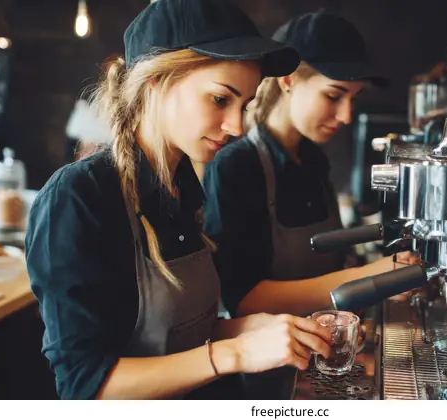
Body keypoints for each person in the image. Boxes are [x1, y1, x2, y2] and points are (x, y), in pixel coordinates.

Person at [24, 0, 332, 400]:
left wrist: (256, 329)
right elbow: (86, 386)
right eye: (221, 99)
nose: (237, 125)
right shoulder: (79, 198)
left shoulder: (184, 187)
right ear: (157, 81)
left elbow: (172, 338)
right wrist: (235, 352)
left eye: (244, 105)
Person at [203, 9, 412, 321]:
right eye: (333, 96)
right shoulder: (236, 166)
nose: (346, 116)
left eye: (353, 99)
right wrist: (372, 277)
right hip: (268, 363)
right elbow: (244, 300)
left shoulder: (313, 158)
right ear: (287, 81)